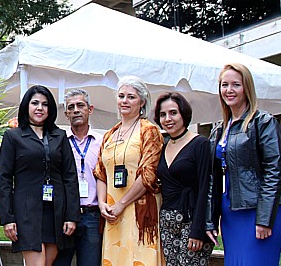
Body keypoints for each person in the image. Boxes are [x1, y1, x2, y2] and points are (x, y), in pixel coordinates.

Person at [206, 63, 281, 266]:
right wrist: (210, 218)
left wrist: (265, 218)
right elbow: (212, 177)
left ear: (247, 88)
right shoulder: (218, 129)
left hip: (259, 210)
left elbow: (274, 172)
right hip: (230, 211)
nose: (229, 90)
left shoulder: (263, 122)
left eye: (236, 84)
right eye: (224, 85)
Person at [0, 85, 79, 266]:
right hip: (26, 211)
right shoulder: (13, 136)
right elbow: (4, 179)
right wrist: (7, 218)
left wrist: (71, 216)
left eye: (45, 104)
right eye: (35, 103)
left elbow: (70, 177)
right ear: (26, 106)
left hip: (55, 212)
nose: (39, 108)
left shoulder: (60, 136)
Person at [94, 75, 163, 266]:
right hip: (112, 211)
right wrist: (102, 204)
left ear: (142, 101)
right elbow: (100, 172)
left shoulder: (149, 131)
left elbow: (149, 174)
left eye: (131, 97)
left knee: (138, 257)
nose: (125, 101)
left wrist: (122, 204)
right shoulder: (110, 133)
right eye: (121, 96)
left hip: (137, 207)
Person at [153, 92, 212, 266]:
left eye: (173, 113)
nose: (167, 119)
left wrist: (199, 229)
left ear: (183, 114)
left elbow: (205, 188)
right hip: (167, 220)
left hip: (192, 219)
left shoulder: (200, 144)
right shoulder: (162, 146)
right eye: (163, 115)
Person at [53, 88, 103, 266]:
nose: (76, 110)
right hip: (64, 215)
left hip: (92, 215)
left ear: (90, 109)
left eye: (80, 105)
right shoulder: (59, 142)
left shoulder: (102, 142)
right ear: (66, 114)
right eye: (71, 107)